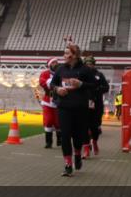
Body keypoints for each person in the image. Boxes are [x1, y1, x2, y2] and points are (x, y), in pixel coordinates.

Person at [49, 43, 97, 177]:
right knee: (65, 136)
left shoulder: (85, 70)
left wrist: (81, 84)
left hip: (80, 108)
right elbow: (52, 84)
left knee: (77, 136)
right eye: (64, 53)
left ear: (74, 55)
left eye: (66, 53)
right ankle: (68, 164)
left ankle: (77, 154)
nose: (64, 56)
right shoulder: (60, 70)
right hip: (64, 107)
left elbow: (94, 86)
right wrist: (57, 89)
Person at [82, 55, 109, 157]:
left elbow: (106, 87)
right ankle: (86, 148)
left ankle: (94, 142)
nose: (89, 66)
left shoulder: (99, 75)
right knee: (84, 127)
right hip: (84, 104)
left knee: (95, 127)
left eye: (91, 64)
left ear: (94, 65)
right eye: (87, 64)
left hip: (97, 105)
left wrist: (97, 89)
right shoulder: (81, 75)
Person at [37, 58, 60, 148]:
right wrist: (50, 82)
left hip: (58, 100)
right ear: (49, 65)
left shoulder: (61, 72)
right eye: (53, 63)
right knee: (48, 120)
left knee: (58, 122)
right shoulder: (45, 73)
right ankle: (48, 142)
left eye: (56, 62)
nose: (56, 64)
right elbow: (42, 82)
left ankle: (59, 139)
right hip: (47, 101)